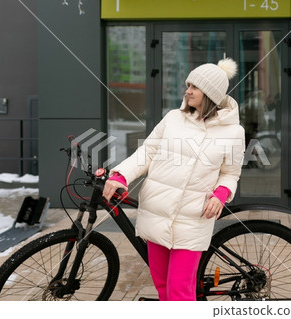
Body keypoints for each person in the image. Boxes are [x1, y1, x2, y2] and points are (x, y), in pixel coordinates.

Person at [103, 58, 245, 301]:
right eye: (187, 85)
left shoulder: (234, 132)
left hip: (192, 218)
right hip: (156, 213)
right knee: (162, 287)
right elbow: (146, 152)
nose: (187, 91)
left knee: (180, 291)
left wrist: (220, 194)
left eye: (194, 87)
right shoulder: (172, 118)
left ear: (210, 93)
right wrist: (121, 175)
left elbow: (230, 173)